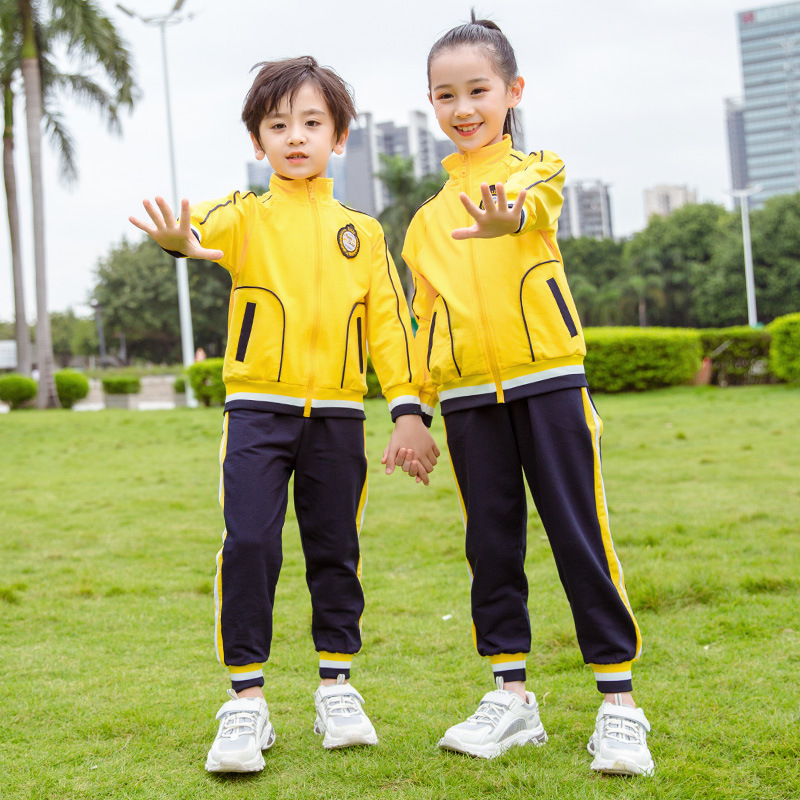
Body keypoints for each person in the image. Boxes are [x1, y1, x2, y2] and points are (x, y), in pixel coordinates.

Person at [130, 56, 439, 773]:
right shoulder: (245, 215)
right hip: (257, 414)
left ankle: (337, 687)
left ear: (339, 136)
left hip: (338, 418)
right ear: (257, 140)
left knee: (336, 550)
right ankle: (246, 702)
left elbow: (390, 327)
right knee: (249, 544)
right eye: (277, 125)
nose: (295, 136)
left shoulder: (364, 232)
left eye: (311, 122)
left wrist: (408, 411)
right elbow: (198, 229)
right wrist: (180, 242)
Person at [401, 14, 654, 776]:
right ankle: (510, 697)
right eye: (446, 95)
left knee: (580, 536)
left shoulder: (537, 169)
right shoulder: (423, 224)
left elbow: (529, 203)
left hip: (549, 385)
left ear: (512, 91)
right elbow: (422, 322)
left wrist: (507, 214)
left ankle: (619, 704)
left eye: (478, 90)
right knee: (490, 547)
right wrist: (412, 409)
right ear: (431, 103)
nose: (463, 108)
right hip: (468, 402)